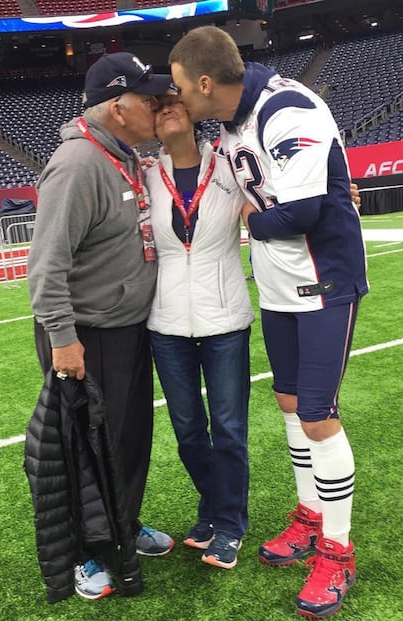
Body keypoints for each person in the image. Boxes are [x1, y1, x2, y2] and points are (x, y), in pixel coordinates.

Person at [169, 26, 368, 618]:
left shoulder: (288, 106)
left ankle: (339, 551)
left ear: (206, 83)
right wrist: (266, 211)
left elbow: (304, 210)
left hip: (325, 282)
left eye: (180, 87)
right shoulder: (230, 125)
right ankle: (309, 517)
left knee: (317, 414)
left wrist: (257, 221)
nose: (177, 97)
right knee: (288, 403)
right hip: (280, 290)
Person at [27, 52, 174, 601]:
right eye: (149, 100)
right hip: (87, 334)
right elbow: (45, 265)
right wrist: (64, 339)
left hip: (127, 329)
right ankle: (89, 551)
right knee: (84, 450)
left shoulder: (122, 155)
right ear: (118, 107)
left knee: (128, 441)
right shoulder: (78, 164)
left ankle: (122, 525)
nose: (157, 108)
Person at [145, 93, 254, 569]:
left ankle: (229, 524)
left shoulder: (229, 166)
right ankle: (213, 507)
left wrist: (340, 195)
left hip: (225, 318)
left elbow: (273, 197)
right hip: (166, 322)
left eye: (175, 102)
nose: (167, 109)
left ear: (193, 113)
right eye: (158, 106)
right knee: (189, 431)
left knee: (229, 431)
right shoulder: (145, 173)